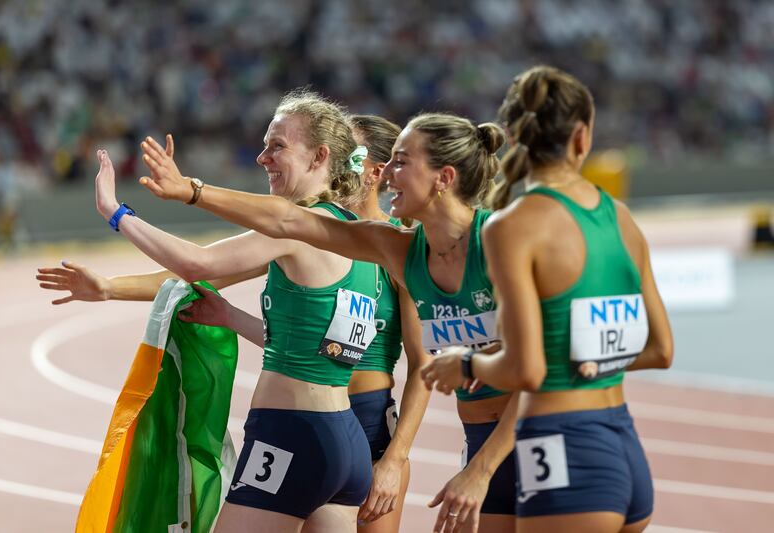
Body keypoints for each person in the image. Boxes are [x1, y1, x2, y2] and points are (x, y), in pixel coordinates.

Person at [38, 110, 430, 533]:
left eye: (277, 146)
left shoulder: (329, 234)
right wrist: (115, 288)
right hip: (343, 436)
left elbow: (196, 262)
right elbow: (318, 342)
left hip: (306, 431)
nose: (263, 158)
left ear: (327, 158)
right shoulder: (366, 242)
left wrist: (118, 212)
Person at [135, 111, 520, 533]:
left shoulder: (503, 245)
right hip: (474, 439)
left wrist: (463, 457)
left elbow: (542, 372)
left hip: (550, 430)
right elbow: (287, 222)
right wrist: (191, 190)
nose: (384, 172)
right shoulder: (397, 248)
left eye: (401, 161)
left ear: (444, 178)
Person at [420, 66, 674, 533]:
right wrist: (582, 361)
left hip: (561, 449)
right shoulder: (619, 217)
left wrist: (468, 365)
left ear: (515, 137)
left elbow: (528, 370)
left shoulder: (512, 226)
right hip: (623, 447)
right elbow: (661, 350)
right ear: (582, 138)